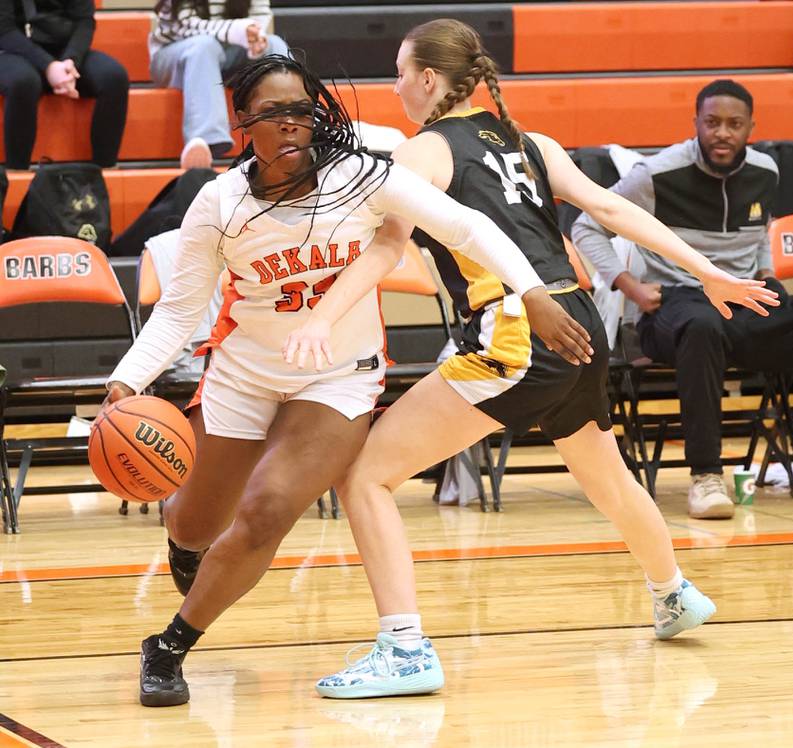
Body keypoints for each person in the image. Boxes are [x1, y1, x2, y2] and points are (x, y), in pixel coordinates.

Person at [281, 19, 779, 698]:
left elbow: (386, 249)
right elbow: (609, 206)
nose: (396, 86)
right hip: (577, 320)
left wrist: (320, 314)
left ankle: (402, 649)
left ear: (429, 80)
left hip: (515, 333)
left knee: (365, 476)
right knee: (604, 473)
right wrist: (705, 270)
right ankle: (673, 592)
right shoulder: (530, 141)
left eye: (401, 72)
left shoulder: (426, 151)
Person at [102, 54, 595, 707]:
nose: (291, 125)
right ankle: (187, 535)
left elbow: (465, 225)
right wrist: (126, 381)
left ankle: (168, 647)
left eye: (301, 111)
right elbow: (180, 310)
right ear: (242, 122)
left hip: (337, 379)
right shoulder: (219, 203)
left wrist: (529, 291)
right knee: (196, 525)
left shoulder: (359, 177)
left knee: (268, 510)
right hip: (244, 375)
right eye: (274, 113)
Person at [572, 79, 793, 519]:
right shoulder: (657, 173)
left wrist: (767, 272)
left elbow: (755, 234)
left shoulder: (766, 171)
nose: (722, 133)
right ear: (695, 122)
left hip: (742, 300)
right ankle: (706, 477)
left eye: (734, 124)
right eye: (712, 122)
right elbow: (585, 226)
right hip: (676, 306)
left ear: (751, 127)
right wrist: (629, 285)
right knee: (702, 326)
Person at [149, 0, 290, 169]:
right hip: (176, 52)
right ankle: (204, 140)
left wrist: (255, 40)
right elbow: (186, 26)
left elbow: (258, 16)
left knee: (275, 44)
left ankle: (295, 122)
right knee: (204, 46)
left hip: (232, 51)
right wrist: (236, 30)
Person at [0, 0, 129, 170]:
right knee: (23, 82)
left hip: (63, 51)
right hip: (13, 51)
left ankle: (104, 173)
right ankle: (16, 173)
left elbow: (85, 21)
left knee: (114, 77)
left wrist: (71, 60)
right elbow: (4, 30)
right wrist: (48, 65)